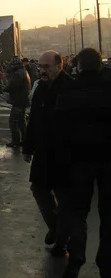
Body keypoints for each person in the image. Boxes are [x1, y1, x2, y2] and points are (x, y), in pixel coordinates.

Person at [56, 48, 111, 278]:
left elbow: (59, 129)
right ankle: (106, 263)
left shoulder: (69, 89)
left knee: (78, 212)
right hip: (108, 159)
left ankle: (76, 257)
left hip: (78, 160)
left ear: (78, 65)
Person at [23, 51, 73, 257]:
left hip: (64, 153)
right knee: (39, 189)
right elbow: (34, 120)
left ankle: (62, 242)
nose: (42, 70)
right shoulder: (41, 88)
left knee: (64, 197)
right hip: (43, 151)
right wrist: (28, 147)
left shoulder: (70, 88)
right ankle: (56, 227)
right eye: (41, 66)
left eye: (47, 67)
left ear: (59, 66)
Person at [4, 56, 31, 148]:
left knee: (13, 122)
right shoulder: (23, 71)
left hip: (18, 101)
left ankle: (15, 141)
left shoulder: (17, 74)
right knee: (21, 122)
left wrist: (3, 88)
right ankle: (25, 140)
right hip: (23, 101)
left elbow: (11, 86)